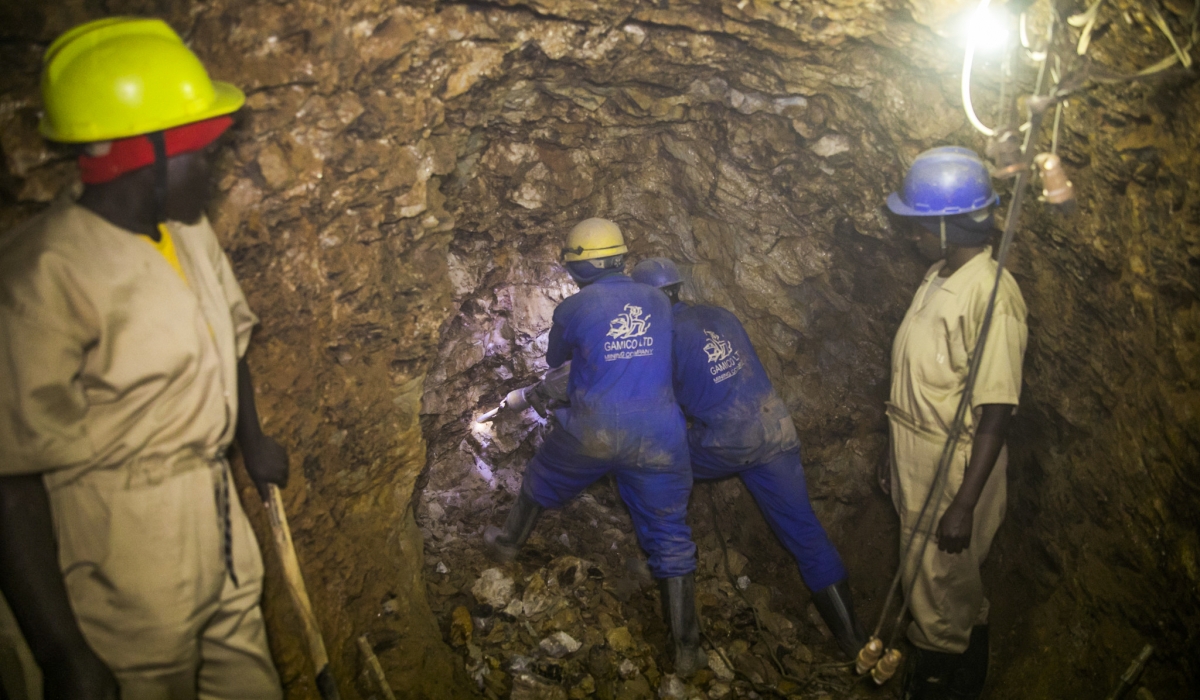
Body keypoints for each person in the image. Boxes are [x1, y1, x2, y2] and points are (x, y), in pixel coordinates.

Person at [0, 18, 287, 700]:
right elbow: (9, 481)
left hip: (217, 520)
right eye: (202, 154)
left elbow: (231, 342)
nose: (212, 169)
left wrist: (252, 441)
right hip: (118, 553)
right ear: (146, 155)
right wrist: (63, 652)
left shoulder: (189, 232)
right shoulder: (41, 275)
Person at [483, 218, 705, 677]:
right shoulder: (659, 302)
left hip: (593, 432)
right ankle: (686, 649)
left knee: (541, 478)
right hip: (660, 435)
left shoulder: (574, 309)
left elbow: (558, 365)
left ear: (578, 265)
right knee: (670, 531)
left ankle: (507, 545)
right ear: (621, 258)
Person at [631, 258, 867, 660]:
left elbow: (653, 401)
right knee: (806, 534)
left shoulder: (663, 336)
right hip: (774, 427)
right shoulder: (718, 313)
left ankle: (678, 619)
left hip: (728, 441)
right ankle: (855, 642)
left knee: (648, 469)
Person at [881, 146, 1028, 699]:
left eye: (921, 225)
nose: (911, 235)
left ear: (950, 224)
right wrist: (892, 449)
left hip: (954, 460)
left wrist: (964, 502)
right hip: (916, 448)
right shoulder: (939, 273)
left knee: (939, 585)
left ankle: (942, 681)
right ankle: (961, 656)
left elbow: (996, 411)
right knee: (939, 578)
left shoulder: (992, 296)